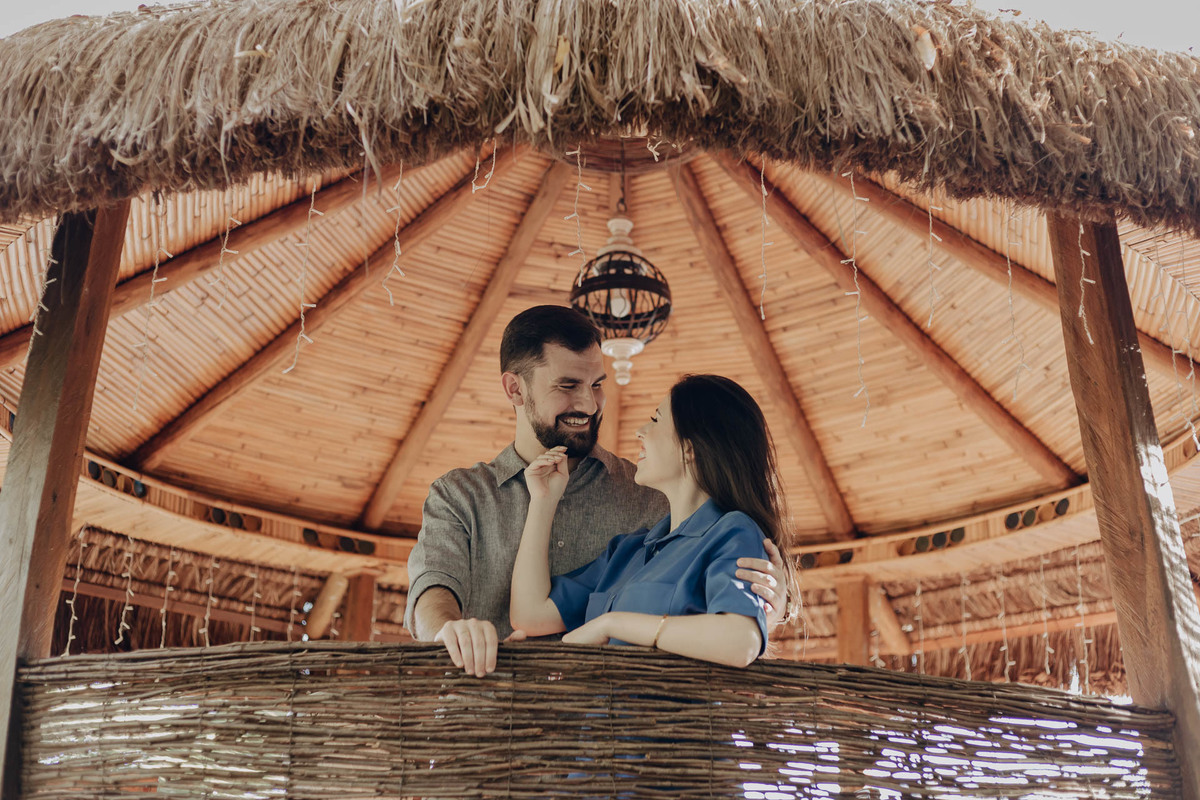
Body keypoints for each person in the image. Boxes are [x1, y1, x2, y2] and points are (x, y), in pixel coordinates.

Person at [404, 306, 789, 675]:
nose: (589, 403)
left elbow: (732, 627)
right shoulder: (459, 496)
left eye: (597, 385)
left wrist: (770, 607)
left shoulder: (657, 505)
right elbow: (437, 592)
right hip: (481, 726)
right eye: (568, 385)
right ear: (515, 389)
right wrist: (448, 630)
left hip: (629, 736)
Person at [510, 374, 797, 667]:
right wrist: (543, 501)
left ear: (690, 447)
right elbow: (530, 615)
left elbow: (740, 642)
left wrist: (612, 624)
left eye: (656, 420)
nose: (640, 430)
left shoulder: (734, 533)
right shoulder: (627, 552)